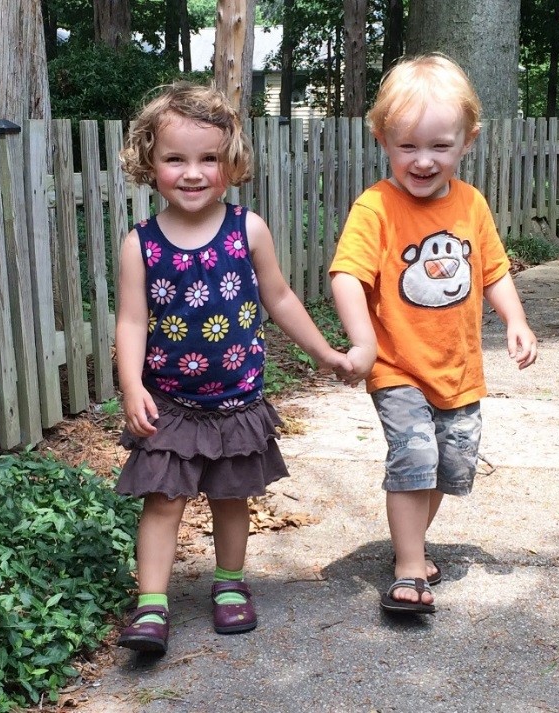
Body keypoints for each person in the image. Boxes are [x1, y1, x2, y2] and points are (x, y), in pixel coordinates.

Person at [114, 81, 352, 653]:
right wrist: (129, 385)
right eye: (175, 158)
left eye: (208, 159)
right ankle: (151, 605)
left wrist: (324, 352)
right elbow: (129, 322)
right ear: (150, 162)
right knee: (163, 500)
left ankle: (228, 584)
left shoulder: (248, 229)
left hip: (236, 401)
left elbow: (281, 298)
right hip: (169, 401)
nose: (192, 172)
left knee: (229, 497)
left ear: (231, 163)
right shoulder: (139, 244)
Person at [329, 55, 538, 614]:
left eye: (439, 147)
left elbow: (492, 270)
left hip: (459, 368)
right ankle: (406, 570)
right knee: (414, 454)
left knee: (450, 465)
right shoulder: (376, 206)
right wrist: (362, 341)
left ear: (467, 141)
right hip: (396, 365)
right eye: (408, 147)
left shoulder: (471, 204)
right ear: (382, 138)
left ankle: (413, 548)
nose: (423, 162)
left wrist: (515, 320)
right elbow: (347, 274)